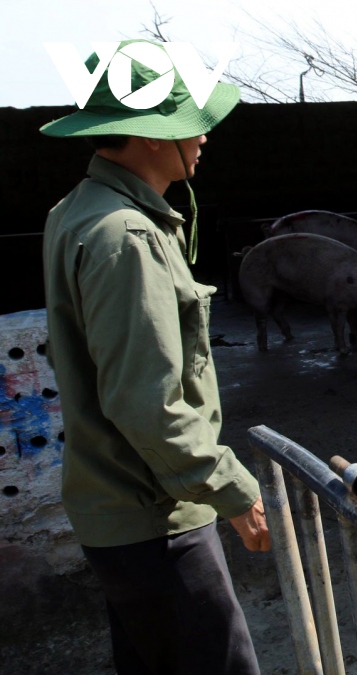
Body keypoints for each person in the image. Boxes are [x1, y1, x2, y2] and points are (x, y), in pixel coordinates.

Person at [40, 41, 269, 674]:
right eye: (190, 124)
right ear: (148, 136)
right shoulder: (127, 236)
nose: (203, 139)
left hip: (117, 508)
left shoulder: (78, 211)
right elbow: (147, 402)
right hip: (155, 517)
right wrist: (229, 487)